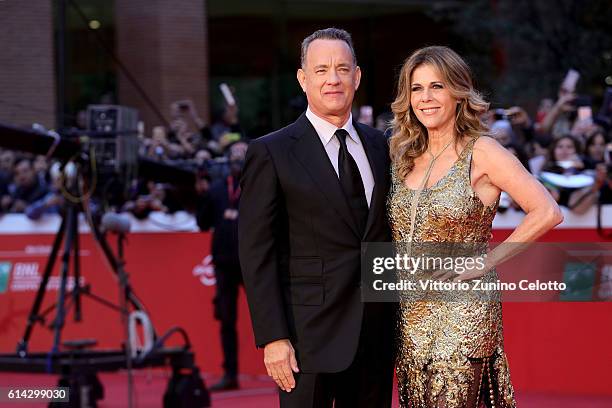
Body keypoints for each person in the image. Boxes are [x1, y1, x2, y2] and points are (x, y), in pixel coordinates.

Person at [388, 46, 562, 407]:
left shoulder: (482, 150)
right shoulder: (404, 154)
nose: (425, 98)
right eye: (416, 89)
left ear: (458, 92)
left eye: (436, 86)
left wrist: (484, 262)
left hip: (463, 310)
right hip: (409, 312)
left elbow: (546, 211)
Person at [239, 28, 395, 407]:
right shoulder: (271, 152)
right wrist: (273, 337)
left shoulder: (384, 146)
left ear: (357, 77)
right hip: (305, 339)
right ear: (303, 78)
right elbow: (256, 253)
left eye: (342, 68)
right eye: (321, 69)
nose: (333, 79)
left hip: (376, 334)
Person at [195, 141, 248, 391]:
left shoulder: (258, 186)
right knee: (226, 320)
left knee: (270, 318)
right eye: (234, 154)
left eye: (242, 154)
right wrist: (202, 197)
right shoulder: (216, 189)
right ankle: (230, 374)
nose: (238, 158)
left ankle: (293, 369)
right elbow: (202, 223)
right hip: (224, 264)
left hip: (252, 263)